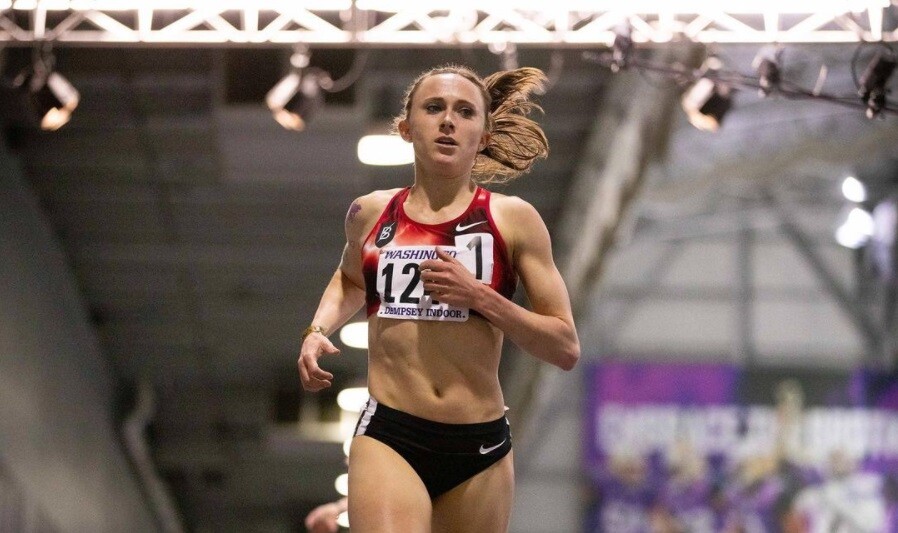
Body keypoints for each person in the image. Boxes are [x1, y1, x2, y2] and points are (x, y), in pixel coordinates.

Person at [297, 63, 580, 533]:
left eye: (465, 112)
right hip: (391, 433)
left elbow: (565, 347)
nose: (448, 120)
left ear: (484, 136)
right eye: (434, 108)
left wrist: (480, 297)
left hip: (480, 446)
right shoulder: (370, 212)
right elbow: (350, 280)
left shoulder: (513, 220)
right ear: (407, 128)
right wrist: (316, 330)